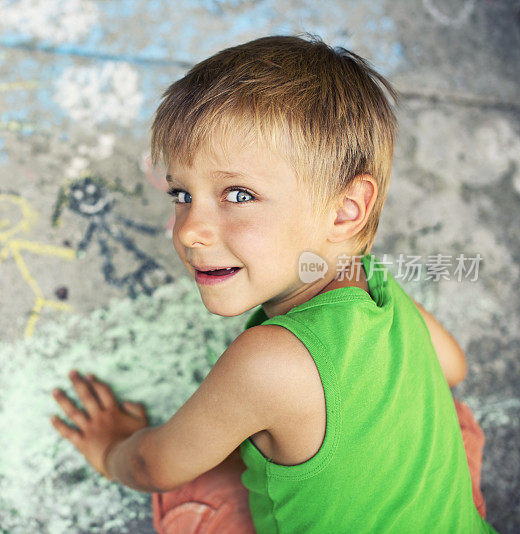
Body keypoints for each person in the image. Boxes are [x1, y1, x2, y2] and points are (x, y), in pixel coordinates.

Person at [50, 35, 497, 533]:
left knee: (201, 488)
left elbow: (152, 467)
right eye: (182, 193)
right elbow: (451, 367)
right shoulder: (375, 284)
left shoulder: (268, 362)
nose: (190, 229)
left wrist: (111, 446)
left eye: (238, 194)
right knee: (456, 422)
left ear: (347, 210)